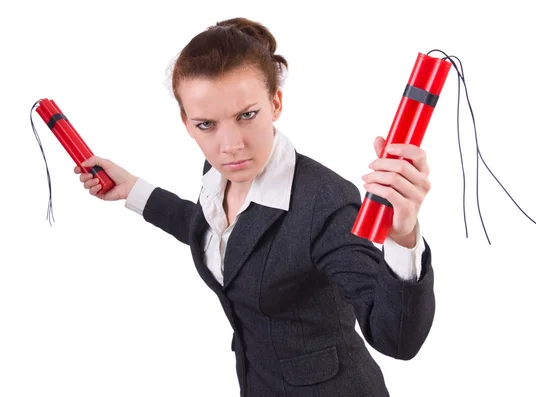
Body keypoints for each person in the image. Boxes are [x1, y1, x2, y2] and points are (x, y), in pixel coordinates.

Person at [74, 17, 435, 397]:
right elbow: (215, 232)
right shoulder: (217, 175)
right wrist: (132, 189)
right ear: (186, 123)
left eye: (247, 115)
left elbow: (397, 339)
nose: (230, 145)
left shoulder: (324, 200)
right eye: (206, 124)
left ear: (275, 103)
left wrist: (403, 234)